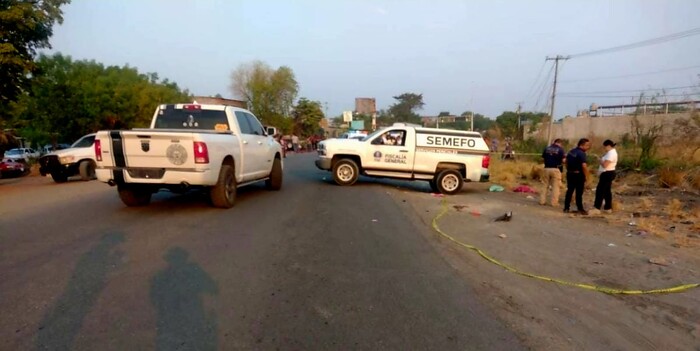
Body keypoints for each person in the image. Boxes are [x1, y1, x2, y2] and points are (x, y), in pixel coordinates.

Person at [564, 138, 591, 215]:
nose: (588, 147)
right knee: (579, 192)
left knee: (569, 191)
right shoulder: (581, 153)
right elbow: (584, 166)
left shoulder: (571, 151)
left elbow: (566, 162)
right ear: (581, 145)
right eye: (587, 145)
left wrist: (568, 169)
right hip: (578, 175)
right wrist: (587, 176)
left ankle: (566, 208)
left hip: (570, 174)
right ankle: (580, 208)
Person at [591, 140, 618, 214]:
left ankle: (597, 208)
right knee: (607, 191)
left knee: (600, 190)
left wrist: (599, 160)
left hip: (607, 173)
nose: (604, 148)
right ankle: (608, 207)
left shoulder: (611, 154)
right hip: (608, 173)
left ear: (608, 146)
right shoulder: (610, 153)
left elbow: (605, 165)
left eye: (604, 147)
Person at [539, 138, 566, 207]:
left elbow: (542, 159)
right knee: (556, 186)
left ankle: (542, 201)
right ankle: (554, 203)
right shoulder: (560, 150)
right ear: (560, 143)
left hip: (546, 168)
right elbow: (563, 161)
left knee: (544, 185)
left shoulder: (547, 148)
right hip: (555, 169)